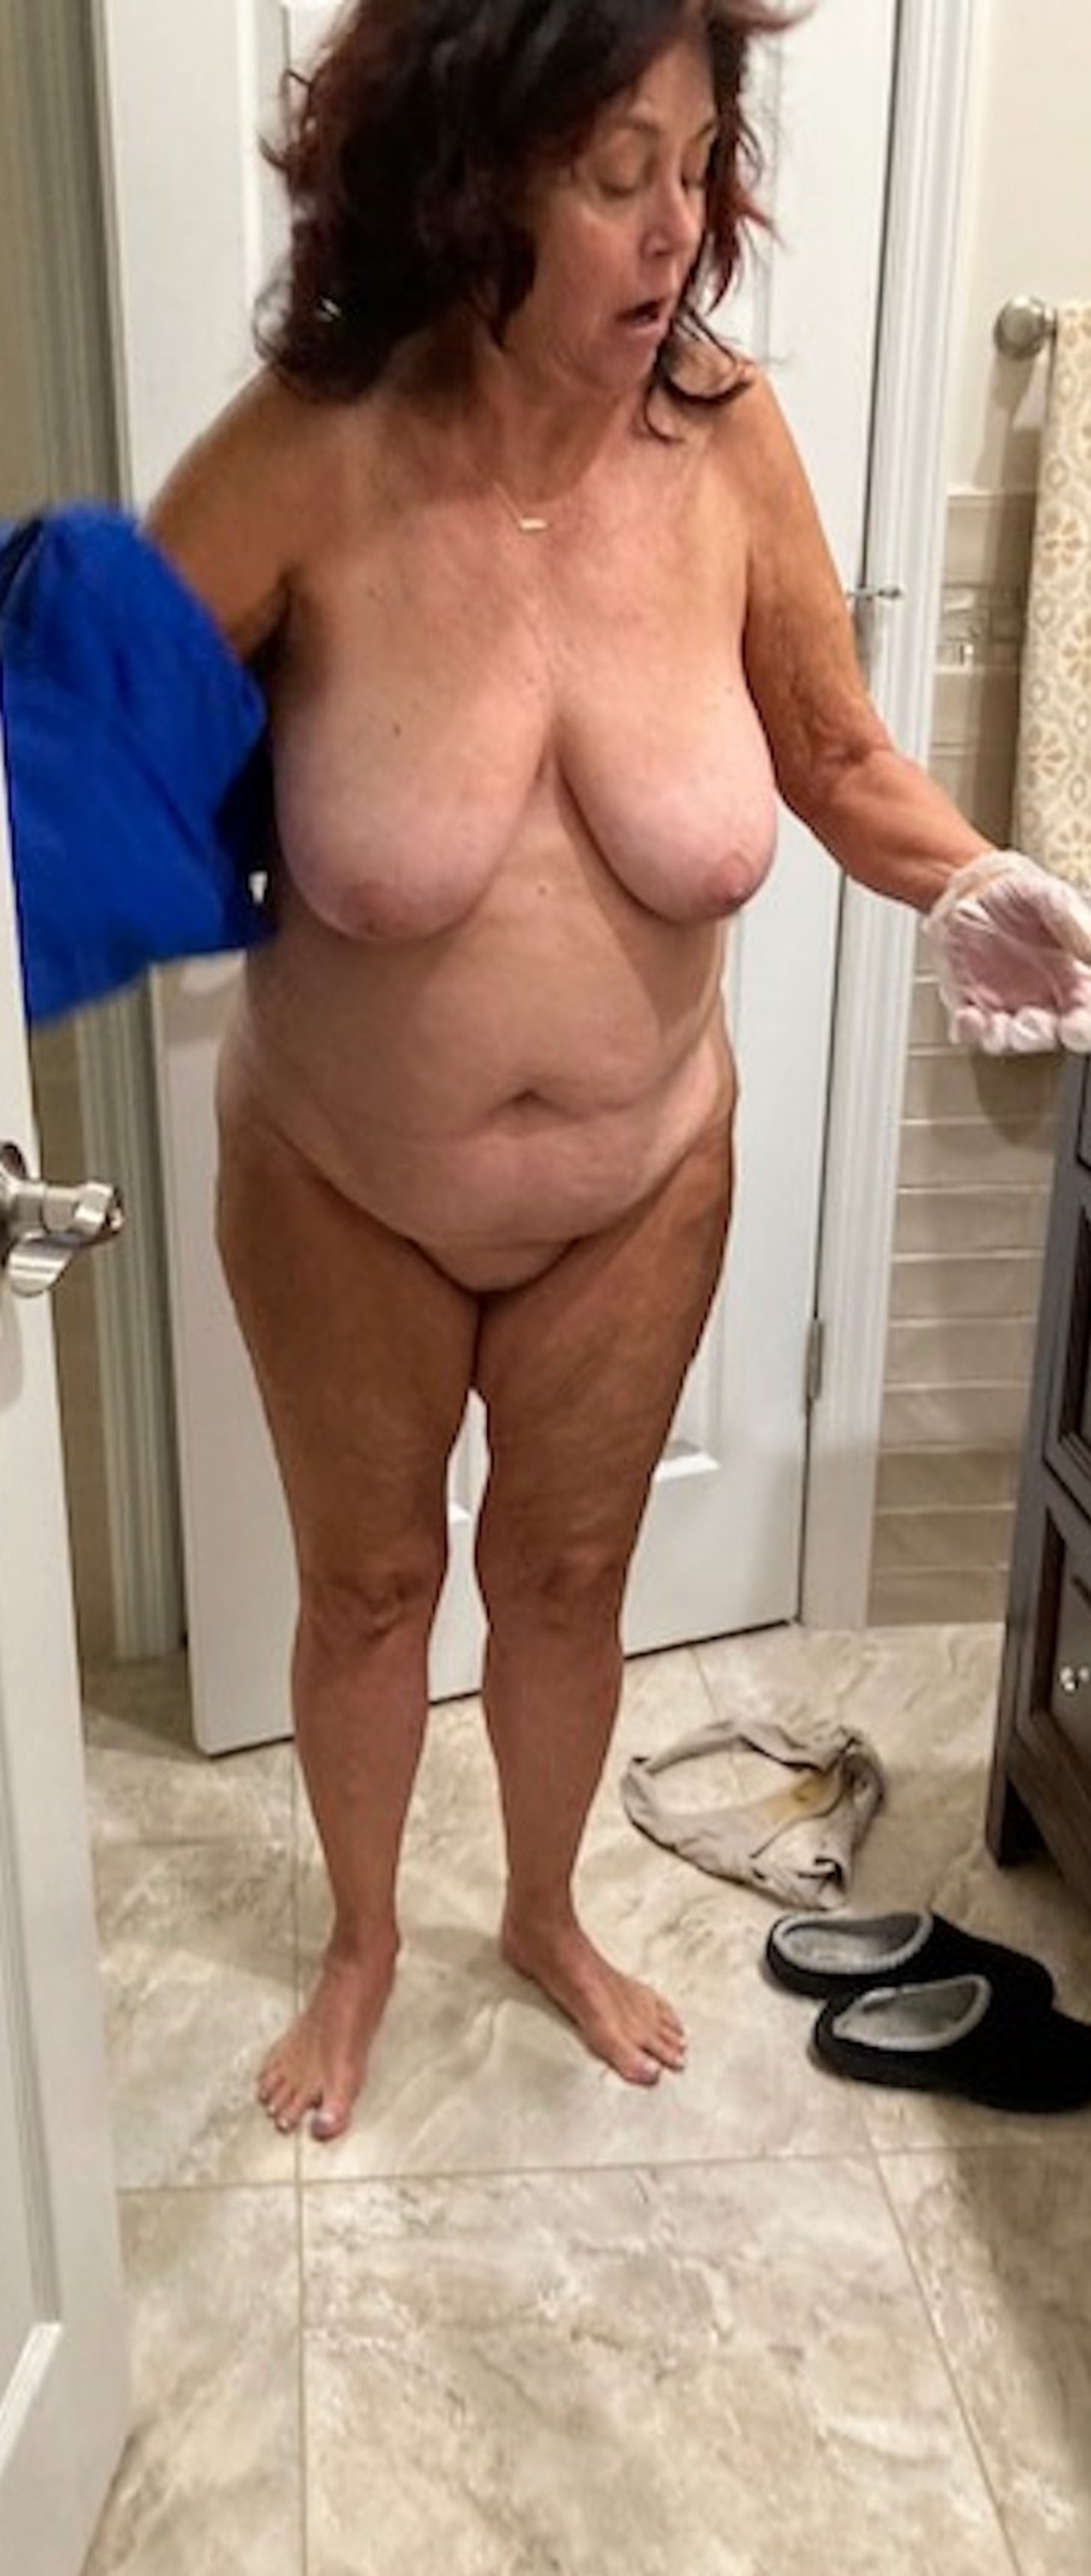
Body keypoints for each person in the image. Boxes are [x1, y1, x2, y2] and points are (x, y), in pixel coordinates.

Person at [142, 0, 1091, 2142]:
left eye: (695, 166)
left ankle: (543, 1908)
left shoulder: (726, 443)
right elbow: (85, 732)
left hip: (641, 1180)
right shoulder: (310, 446)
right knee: (370, 1586)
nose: (676, 228)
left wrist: (969, 881)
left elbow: (834, 753)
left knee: (565, 1583)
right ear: (470, 178)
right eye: (613, 177)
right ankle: (362, 1941)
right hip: (341, 1180)